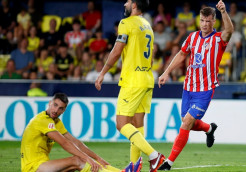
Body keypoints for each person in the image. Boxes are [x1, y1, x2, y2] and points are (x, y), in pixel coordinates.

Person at [157, 1, 233, 170]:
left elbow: (229, 31)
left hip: (205, 90)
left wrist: (223, 12)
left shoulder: (218, 39)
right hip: (189, 87)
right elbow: (182, 54)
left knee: (186, 123)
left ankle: (168, 162)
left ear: (214, 21)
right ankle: (209, 128)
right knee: (186, 121)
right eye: (202, 20)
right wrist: (166, 72)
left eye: (208, 21)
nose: (205, 24)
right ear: (199, 20)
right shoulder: (192, 37)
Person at [95, 0, 165, 171]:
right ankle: (134, 165)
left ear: (134, 5)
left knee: (121, 123)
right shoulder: (147, 25)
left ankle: (154, 156)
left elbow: (117, 50)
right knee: (137, 124)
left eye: (127, 1)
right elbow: (151, 57)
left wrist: (103, 72)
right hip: (147, 78)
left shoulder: (126, 23)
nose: (124, 3)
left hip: (133, 80)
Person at [21, 93, 128, 172]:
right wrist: (87, 158)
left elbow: (76, 143)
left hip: (43, 165)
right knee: (77, 160)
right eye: (54, 105)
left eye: (60, 108)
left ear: (64, 111)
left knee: (77, 164)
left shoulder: (56, 122)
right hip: (33, 167)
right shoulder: (42, 120)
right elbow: (64, 143)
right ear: (49, 103)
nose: (55, 110)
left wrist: (97, 158)